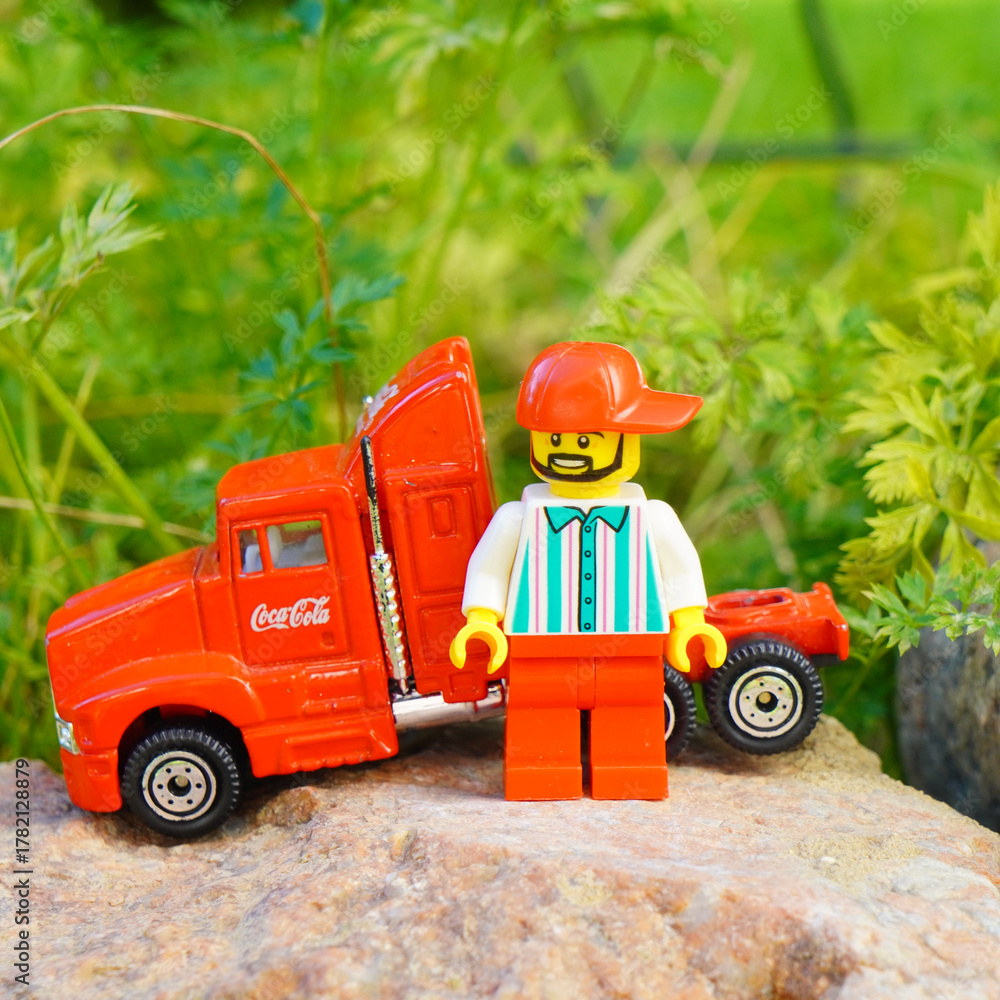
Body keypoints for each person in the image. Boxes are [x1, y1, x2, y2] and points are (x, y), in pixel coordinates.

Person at [450, 341, 726, 800]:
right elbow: (490, 570)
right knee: (540, 713)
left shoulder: (651, 516)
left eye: (585, 440)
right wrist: (482, 620)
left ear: (629, 439)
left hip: (631, 643)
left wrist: (689, 623)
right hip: (540, 644)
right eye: (556, 438)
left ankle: (629, 774)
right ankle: (540, 777)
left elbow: (679, 571)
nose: (569, 451)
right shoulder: (519, 517)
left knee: (630, 710)